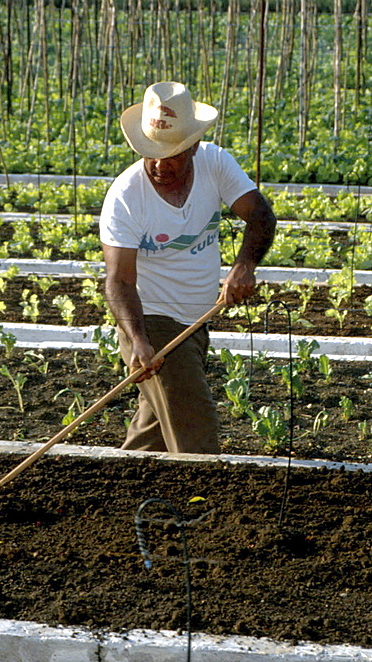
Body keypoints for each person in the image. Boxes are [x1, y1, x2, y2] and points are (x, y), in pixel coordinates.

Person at [99, 81, 277, 455]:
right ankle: (204, 505)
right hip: (150, 320)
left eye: (174, 154)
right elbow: (119, 280)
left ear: (194, 146)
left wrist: (244, 265)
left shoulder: (215, 163)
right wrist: (140, 340)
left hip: (196, 322)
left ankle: (117, 487)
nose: (161, 165)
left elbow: (259, 214)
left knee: (155, 430)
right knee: (194, 421)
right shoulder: (126, 197)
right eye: (152, 153)